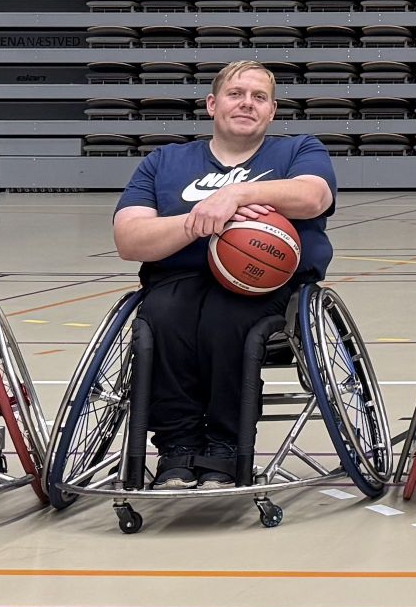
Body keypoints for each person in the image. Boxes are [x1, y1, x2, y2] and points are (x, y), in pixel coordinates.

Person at [110, 61, 339, 488]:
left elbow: (313, 196)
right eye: (236, 94)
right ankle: (176, 449)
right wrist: (199, 219)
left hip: (263, 282)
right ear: (213, 104)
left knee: (225, 318)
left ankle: (226, 448)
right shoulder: (166, 160)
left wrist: (235, 195)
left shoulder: (298, 150)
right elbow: (129, 238)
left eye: (259, 97)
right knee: (161, 318)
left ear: (272, 112)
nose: (246, 104)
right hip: (177, 279)